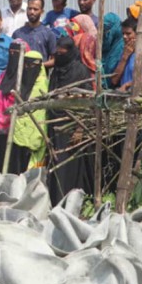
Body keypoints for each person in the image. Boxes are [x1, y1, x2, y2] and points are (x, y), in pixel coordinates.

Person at [48, 37, 93, 204]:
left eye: (62, 53)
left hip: (73, 126)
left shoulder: (80, 71)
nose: (59, 56)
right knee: (57, 167)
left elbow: (87, 101)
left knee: (72, 167)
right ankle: (56, 202)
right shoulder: (56, 71)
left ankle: (73, 203)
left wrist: (80, 129)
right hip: (55, 127)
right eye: (57, 52)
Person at [111, 17, 142, 90]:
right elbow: (114, 80)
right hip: (123, 97)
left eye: (128, 34)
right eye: (123, 33)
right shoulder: (123, 53)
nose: (124, 37)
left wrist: (128, 85)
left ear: (137, 35)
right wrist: (124, 57)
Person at [13, 0, 57, 68]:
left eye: (35, 9)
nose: (32, 12)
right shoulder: (17, 34)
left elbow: (54, 60)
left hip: (41, 77)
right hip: (21, 77)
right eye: (30, 9)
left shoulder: (48, 34)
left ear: (42, 11)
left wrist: (38, 66)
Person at [101, 13, 125, 87]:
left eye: (108, 29)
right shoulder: (107, 45)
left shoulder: (122, 46)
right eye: (104, 29)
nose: (106, 33)